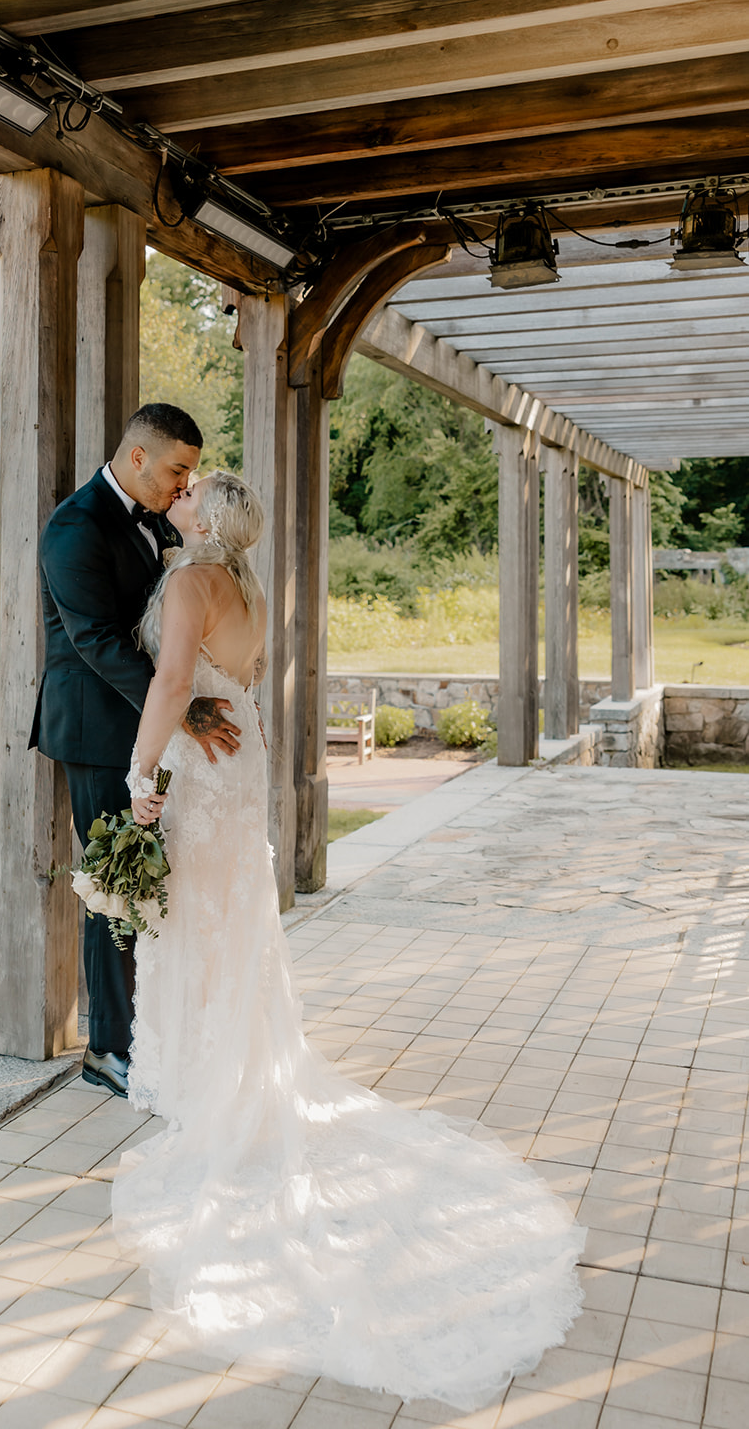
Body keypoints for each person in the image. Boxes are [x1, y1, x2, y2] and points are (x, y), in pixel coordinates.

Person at [113, 469, 586, 1411]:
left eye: (189, 491)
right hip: (239, 748)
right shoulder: (244, 585)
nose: (178, 496)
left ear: (205, 518)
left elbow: (171, 679)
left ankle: (210, 1090)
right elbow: (226, 678)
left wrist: (138, 773)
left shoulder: (186, 582)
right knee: (230, 924)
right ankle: (232, 1069)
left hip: (197, 768)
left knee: (200, 929)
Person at [30, 403, 241, 1099]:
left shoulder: (156, 520)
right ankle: (107, 1049)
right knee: (114, 888)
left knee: (154, 884)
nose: (185, 487)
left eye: (192, 474)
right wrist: (182, 706)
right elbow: (95, 642)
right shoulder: (73, 526)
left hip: (151, 730)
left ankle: (152, 1028)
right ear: (138, 456)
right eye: (178, 470)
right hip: (95, 733)